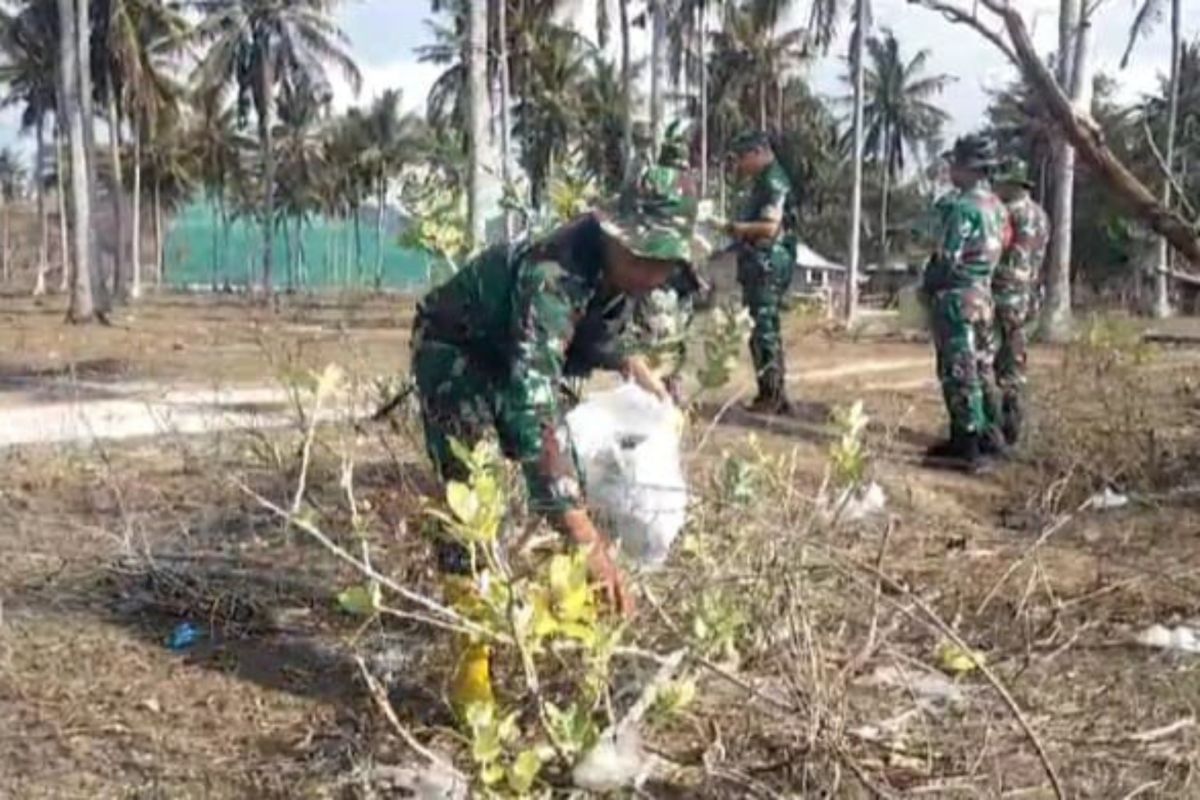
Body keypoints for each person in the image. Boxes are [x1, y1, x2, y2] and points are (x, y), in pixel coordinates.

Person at [411, 211, 691, 616]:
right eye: (641, 260)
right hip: (458, 349)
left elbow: (597, 325)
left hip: (513, 353)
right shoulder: (551, 276)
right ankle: (470, 639)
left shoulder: (618, 272)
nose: (650, 276)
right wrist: (584, 538)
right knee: (472, 485)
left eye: (662, 266)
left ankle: (568, 610)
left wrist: (632, 366)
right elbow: (534, 409)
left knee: (569, 475)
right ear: (612, 238)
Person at [921, 135, 1011, 472]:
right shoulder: (998, 209)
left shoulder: (962, 208)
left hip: (957, 296)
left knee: (959, 370)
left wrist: (928, 285)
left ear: (969, 168)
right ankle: (990, 434)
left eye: (954, 165)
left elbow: (946, 258)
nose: (950, 171)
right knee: (983, 368)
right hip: (983, 295)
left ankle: (968, 445)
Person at [726, 130, 796, 414]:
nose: (740, 165)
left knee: (765, 330)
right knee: (760, 329)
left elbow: (769, 227)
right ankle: (769, 393)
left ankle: (774, 396)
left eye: (743, 158)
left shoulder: (773, 181)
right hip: (758, 262)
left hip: (767, 261)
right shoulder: (762, 182)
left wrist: (736, 228)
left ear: (758, 153)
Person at [992, 157, 1049, 445]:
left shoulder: (1007, 214)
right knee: (1015, 357)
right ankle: (1014, 425)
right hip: (1028, 294)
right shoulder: (1041, 215)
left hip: (1004, 291)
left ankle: (996, 427)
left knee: (990, 358)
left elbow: (996, 248)